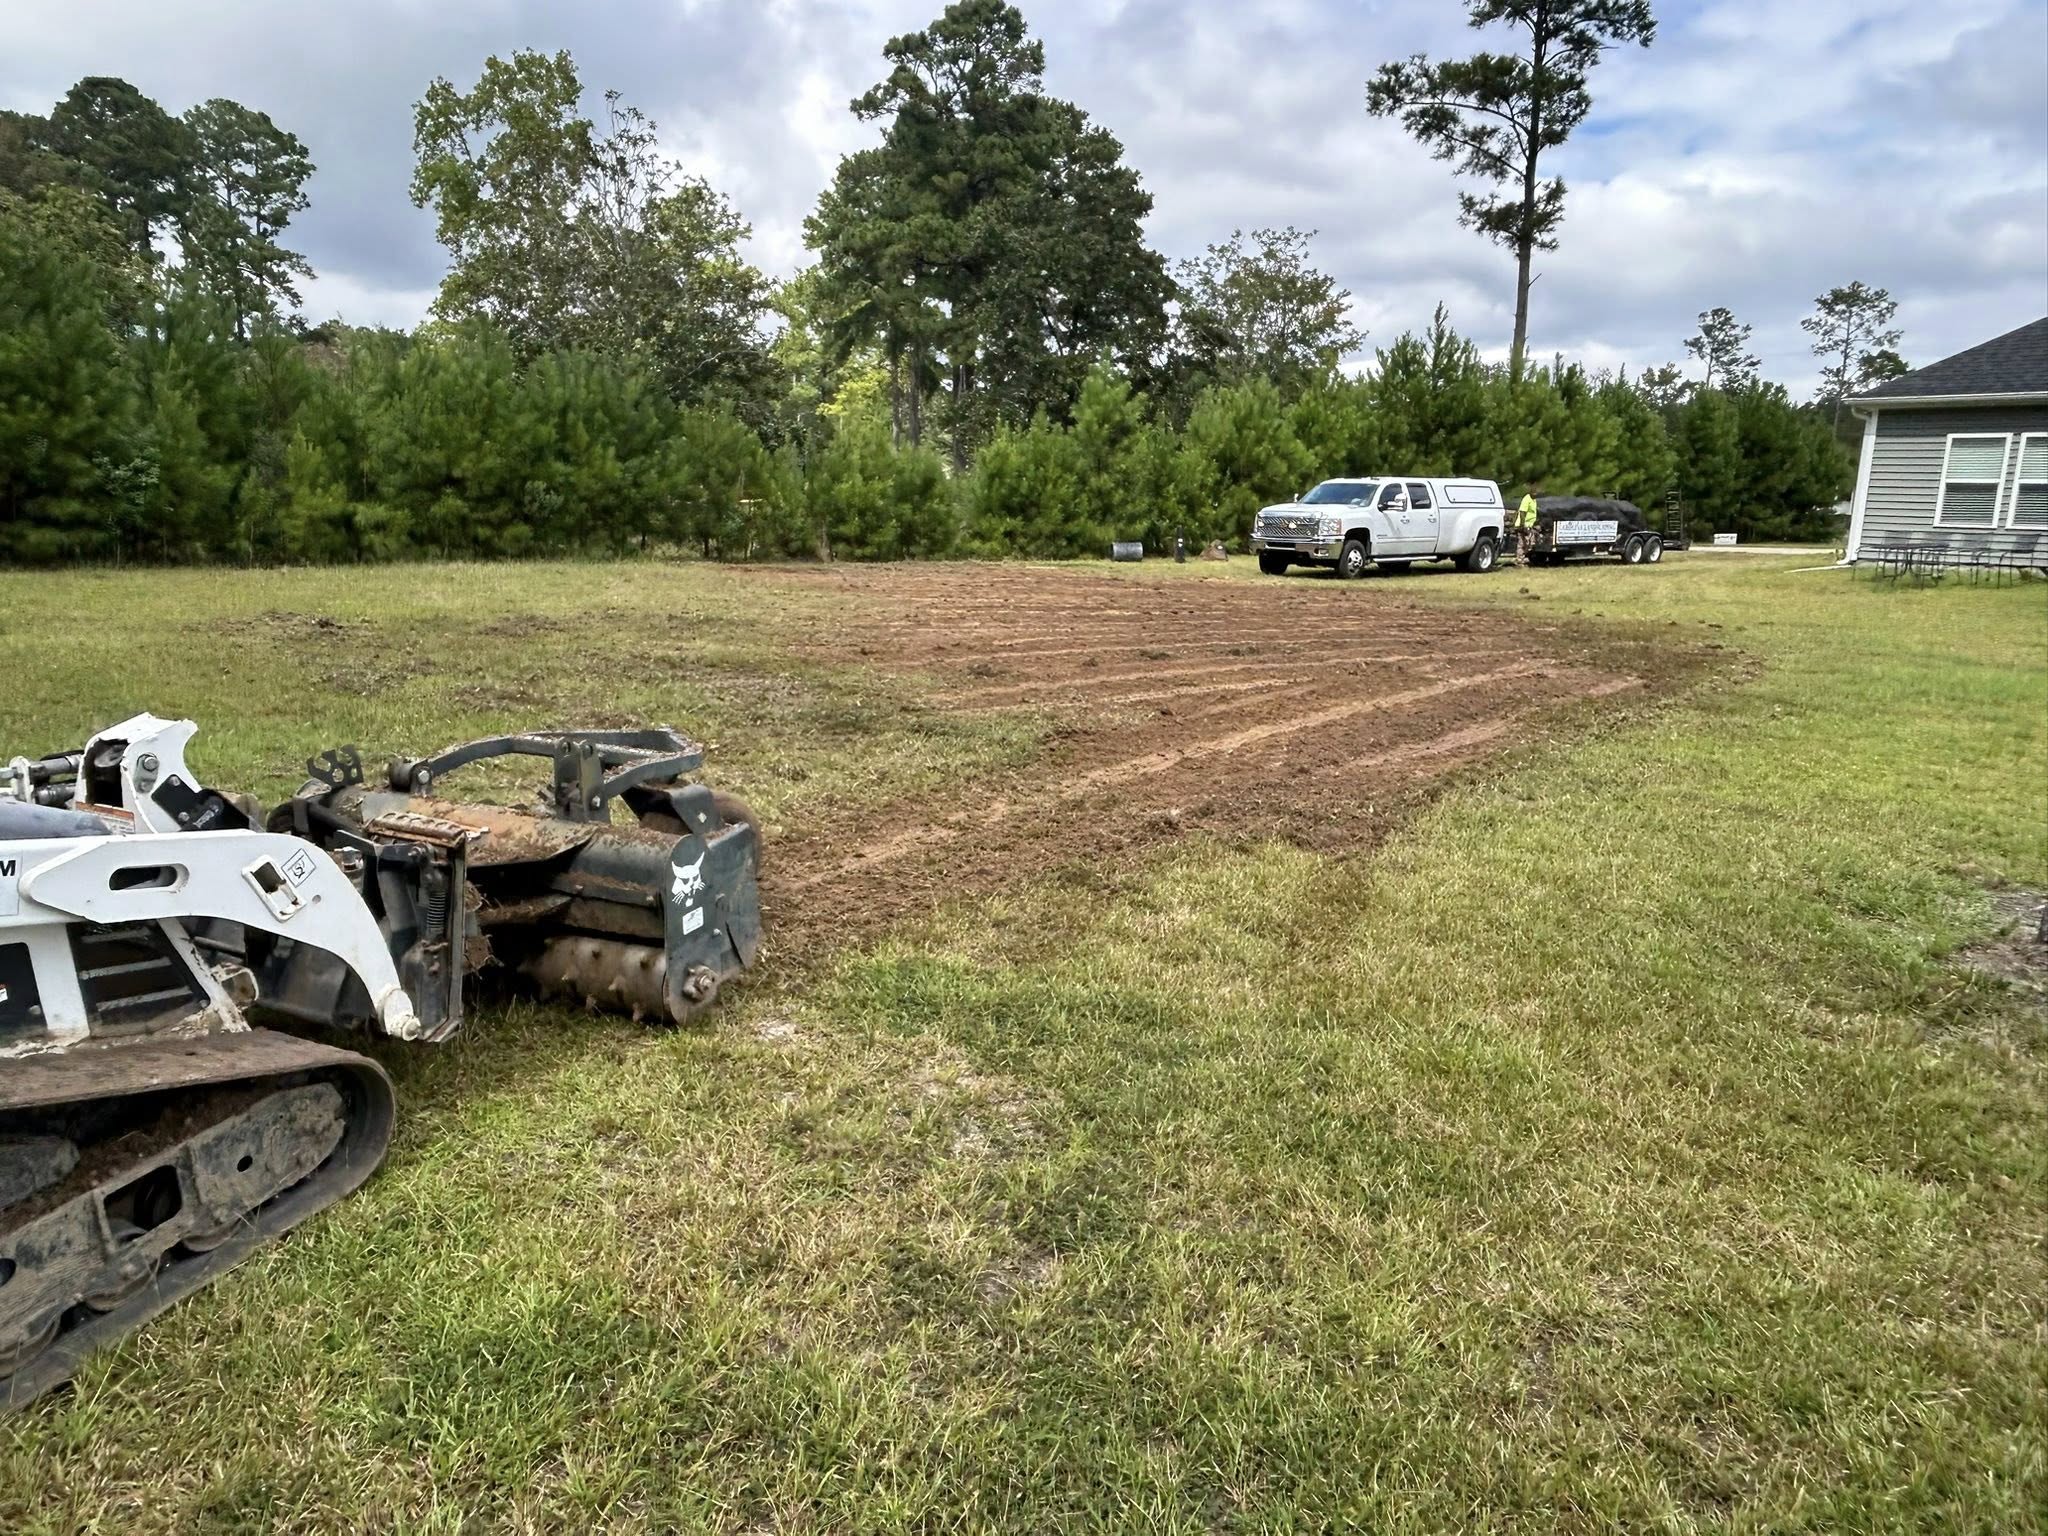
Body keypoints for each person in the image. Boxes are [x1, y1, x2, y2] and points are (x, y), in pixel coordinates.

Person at [1516, 485, 1541, 565]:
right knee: (1522, 544)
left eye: (1536, 492)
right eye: (1533, 492)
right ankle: (1519, 561)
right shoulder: (1527, 499)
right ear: (1530, 491)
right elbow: (1522, 512)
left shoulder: (1534, 500)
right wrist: (1523, 526)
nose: (1535, 493)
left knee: (1530, 544)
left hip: (1530, 525)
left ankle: (1522, 558)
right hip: (1524, 525)